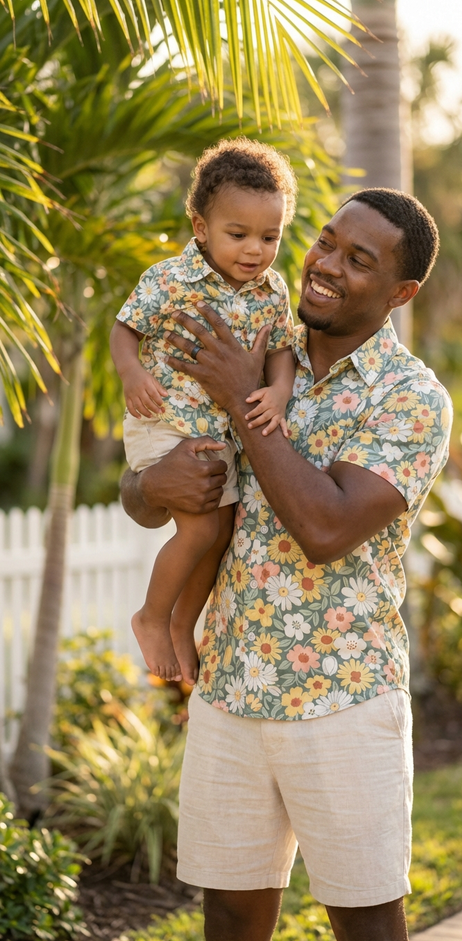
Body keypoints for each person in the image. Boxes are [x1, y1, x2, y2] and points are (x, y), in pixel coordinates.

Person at [121, 187, 453, 941]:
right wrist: (147, 484)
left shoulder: (409, 401)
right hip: (229, 689)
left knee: (364, 921)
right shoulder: (256, 341)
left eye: (357, 260)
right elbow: (156, 490)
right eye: (326, 241)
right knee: (231, 917)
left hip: (342, 694)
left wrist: (242, 397)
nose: (324, 265)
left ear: (401, 292)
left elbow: (326, 525)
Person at [110, 138, 297, 684]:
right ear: (201, 228)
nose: (254, 250)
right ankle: (150, 615)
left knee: (217, 535)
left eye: (270, 237)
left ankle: (180, 626)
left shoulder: (272, 291)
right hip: (163, 422)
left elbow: (282, 351)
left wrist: (279, 391)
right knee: (195, 534)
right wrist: (132, 372)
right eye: (237, 235)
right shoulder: (169, 279)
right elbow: (126, 329)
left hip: (220, 436)